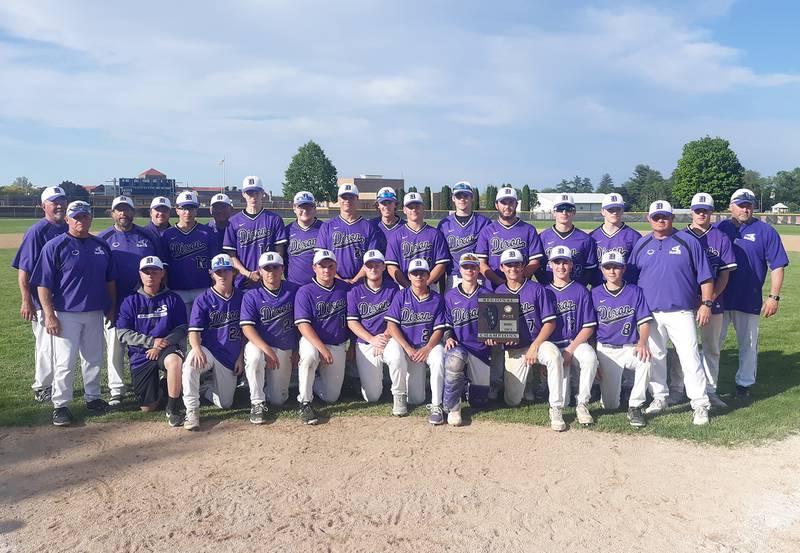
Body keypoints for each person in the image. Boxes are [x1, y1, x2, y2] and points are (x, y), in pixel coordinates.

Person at [31, 200, 116, 426]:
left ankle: (93, 397)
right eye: (76, 217)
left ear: (91, 218)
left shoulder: (101, 245)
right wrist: (49, 314)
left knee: (93, 358)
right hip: (65, 313)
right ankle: (61, 405)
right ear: (67, 219)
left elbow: (110, 280)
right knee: (65, 361)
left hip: (95, 311)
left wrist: (112, 306)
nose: (81, 220)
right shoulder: (55, 246)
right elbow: (43, 285)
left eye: (85, 216)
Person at [628, 200, 714, 426]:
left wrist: (706, 303)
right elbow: (630, 279)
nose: (660, 220)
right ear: (649, 219)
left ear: (672, 218)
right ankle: (659, 397)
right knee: (655, 357)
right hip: (650, 313)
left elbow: (705, 276)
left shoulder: (688, 242)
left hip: (681, 311)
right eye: (656, 216)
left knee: (690, 357)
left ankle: (700, 404)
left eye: (665, 216)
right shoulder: (641, 244)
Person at [717, 188, 789, 402]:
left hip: (749, 297)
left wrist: (774, 296)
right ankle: (707, 384)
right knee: (712, 343)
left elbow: (777, 265)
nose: (745, 208)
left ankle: (744, 385)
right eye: (740, 204)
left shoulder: (765, 231)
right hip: (720, 297)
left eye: (749, 204)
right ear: (731, 207)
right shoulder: (720, 228)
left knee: (748, 343)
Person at [668, 192, 737, 409]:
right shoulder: (679, 237)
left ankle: (710, 390)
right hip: (686, 301)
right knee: (683, 347)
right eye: (698, 210)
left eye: (705, 210)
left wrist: (709, 298)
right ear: (691, 211)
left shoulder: (720, 238)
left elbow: (725, 273)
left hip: (713, 301)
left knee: (711, 346)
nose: (701, 214)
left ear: (711, 212)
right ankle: (677, 389)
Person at [99, 195, 166, 405]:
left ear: (133, 212)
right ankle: (116, 389)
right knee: (115, 345)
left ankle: (154, 380)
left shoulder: (147, 236)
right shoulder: (104, 238)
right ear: (112, 213)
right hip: (115, 301)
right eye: (119, 209)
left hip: (145, 302)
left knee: (149, 341)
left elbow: (161, 268)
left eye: (127, 209)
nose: (123, 213)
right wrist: (107, 303)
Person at [493, 248, 566, 431]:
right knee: (512, 400)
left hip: (538, 344)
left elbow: (550, 324)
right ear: (502, 267)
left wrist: (535, 346)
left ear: (523, 266)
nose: (513, 268)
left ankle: (556, 407)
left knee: (554, 355)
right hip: (516, 349)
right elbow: (496, 326)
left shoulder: (536, 289)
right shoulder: (499, 291)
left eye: (517, 264)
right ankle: (527, 383)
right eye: (508, 265)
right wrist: (501, 339)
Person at [117, 256, 187, 426]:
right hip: (142, 353)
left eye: (155, 272)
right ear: (140, 274)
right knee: (148, 408)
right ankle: (166, 386)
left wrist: (162, 343)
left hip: (167, 348)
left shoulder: (173, 298)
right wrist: (150, 342)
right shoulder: (129, 300)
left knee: (174, 362)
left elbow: (182, 327)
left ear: (162, 273)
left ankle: (173, 408)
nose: (150, 276)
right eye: (146, 272)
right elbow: (123, 333)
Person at [12, 185, 67, 402]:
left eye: (62, 201)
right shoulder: (37, 231)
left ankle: (58, 385)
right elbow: (24, 270)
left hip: (66, 300)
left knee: (62, 345)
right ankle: (43, 386)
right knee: (46, 345)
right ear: (43, 206)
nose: (59, 205)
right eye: (54, 202)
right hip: (42, 300)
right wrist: (26, 300)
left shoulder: (69, 227)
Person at [182, 254, 245, 431]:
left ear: (234, 273)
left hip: (231, 355)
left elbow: (246, 333)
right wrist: (196, 349)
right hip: (208, 350)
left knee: (225, 403)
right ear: (212, 274)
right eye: (218, 272)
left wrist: (241, 357)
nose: (222, 275)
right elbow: (194, 331)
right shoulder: (204, 299)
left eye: (226, 271)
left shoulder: (242, 298)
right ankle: (192, 410)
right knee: (191, 364)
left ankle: (205, 388)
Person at [591, 251, 653, 428]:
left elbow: (644, 322)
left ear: (623, 269)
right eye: (608, 267)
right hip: (606, 350)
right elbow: (591, 329)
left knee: (646, 360)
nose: (612, 271)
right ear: (602, 270)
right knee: (611, 405)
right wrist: (595, 358)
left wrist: (642, 342)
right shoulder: (595, 293)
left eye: (616, 267)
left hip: (629, 347)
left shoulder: (634, 291)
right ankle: (606, 393)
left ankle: (635, 405)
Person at [384, 259, 448, 424]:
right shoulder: (401, 295)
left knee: (439, 357)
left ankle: (436, 405)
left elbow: (439, 329)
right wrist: (406, 347)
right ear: (409, 276)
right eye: (415, 273)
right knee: (394, 353)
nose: (418, 276)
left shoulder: (437, 298)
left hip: (425, 346)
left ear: (428, 276)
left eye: (422, 273)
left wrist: (427, 348)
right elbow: (391, 325)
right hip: (405, 346)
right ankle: (398, 395)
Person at [293, 249, 350, 425]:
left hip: (337, 343)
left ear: (336, 267)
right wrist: (322, 349)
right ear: (314, 268)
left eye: (330, 266)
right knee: (310, 356)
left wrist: (353, 345)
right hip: (313, 341)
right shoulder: (305, 291)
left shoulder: (345, 289)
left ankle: (312, 380)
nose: (326, 270)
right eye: (321, 266)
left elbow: (355, 321)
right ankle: (304, 402)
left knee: (331, 397)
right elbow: (303, 325)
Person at [241, 252, 299, 422]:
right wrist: (266, 350)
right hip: (260, 344)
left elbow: (301, 324)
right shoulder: (252, 294)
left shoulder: (294, 291)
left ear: (282, 269)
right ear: (260, 271)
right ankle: (257, 402)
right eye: (267, 268)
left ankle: (265, 385)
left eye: (275, 267)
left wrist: (297, 349)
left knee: (278, 400)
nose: (271, 271)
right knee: (254, 357)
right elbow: (247, 328)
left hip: (284, 345)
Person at [545, 246, 598, 425]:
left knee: (590, 357)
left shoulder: (580, 290)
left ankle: (582, 403)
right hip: (552, 346)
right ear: (550, 265)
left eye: (565, 262)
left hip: (574, 343)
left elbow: (588, 327)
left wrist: (570, 349)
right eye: (557, 262)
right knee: (563, 399)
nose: (561, 266)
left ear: (571, 265)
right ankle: (556, 408)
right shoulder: (544, 291)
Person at [441, 252, 492, 426]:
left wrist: (494, 338)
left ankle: (465, 387)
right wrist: (448, 337)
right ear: (459, 270)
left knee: (479, 403)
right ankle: (453, 408)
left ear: (478, 270)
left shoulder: (488, 294)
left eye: (473, 267)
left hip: (481, 350)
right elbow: (446, 323)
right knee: (455, 361)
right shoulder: (450, 296)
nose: (469, 270)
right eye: (465, 267)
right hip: (460, 347)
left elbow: (495, 326)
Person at [346, 250, 398, 403]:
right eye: (369, 266)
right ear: (364, 268)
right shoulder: (354, 291)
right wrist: (372, 339)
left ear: (383, 267)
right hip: (366, 342)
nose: (373, 269)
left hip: (389, 338)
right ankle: (357, 381)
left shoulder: (393, 288)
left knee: (396, 356)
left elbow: (396, 319)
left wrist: (384, 338)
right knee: (372, 397)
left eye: (377, 265)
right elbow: (352, 322)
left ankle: (399, 393)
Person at [223, 176, 288, 288]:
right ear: (243, 194)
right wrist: (248, 274)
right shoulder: (233, 222)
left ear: (262, 193)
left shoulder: (274, 219)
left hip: (269, 280)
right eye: (249, 193)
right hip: (243, 281)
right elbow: (231, 255)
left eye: (256, 193)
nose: (253, 197)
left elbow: (279, 252)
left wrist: (264, 274)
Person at [163, 190, 218, 317]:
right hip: (177, 289)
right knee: (181, 328)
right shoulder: (168, 234)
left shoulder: (207, 232)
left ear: (196, 210)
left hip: (203, 287)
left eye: (191, 208)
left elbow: (215, 264)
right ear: (177, 210)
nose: (187, 212)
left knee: (203, 326)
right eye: (183, 208)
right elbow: (164, 267)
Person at [476, 186, 543, 289]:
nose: (507, 206)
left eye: (511, 202)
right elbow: (481, 263)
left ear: (516, 204)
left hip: (523, 287)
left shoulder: (528, 229)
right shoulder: (487, 231)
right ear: (496, 205)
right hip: (495, 289)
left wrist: (517, 281)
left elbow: (535, 262)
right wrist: (500, 282)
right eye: (503, 202)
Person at [317, 183, 379, 284]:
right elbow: (320, 259)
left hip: (361, 283)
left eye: (351, 197)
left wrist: (355, 280)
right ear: (338, 199)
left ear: (357, 199)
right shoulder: (327, 226)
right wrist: (339, 279)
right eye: (344, 197)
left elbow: (371, 260)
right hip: (333, 282)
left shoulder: (368, 226)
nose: (347, 200)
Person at [385, 192, 449, 288]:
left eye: (417, 206)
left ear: (423, 208)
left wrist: (425, 285)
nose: (414, 209)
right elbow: (391, 266)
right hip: (405, 286)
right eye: (410, 207)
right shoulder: (396, 236)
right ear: (404, 210)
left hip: (429, 286)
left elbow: (441, 264)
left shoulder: (435, 234)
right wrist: (408, 287)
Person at [437, 181, 490, 289]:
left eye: (465, 195)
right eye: (458, 196)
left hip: (478, 276)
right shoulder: (444, 224)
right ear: (453, 198)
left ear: (472, 197)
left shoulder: (484, 222)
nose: (462, 199)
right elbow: (441, 258)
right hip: (454, 277)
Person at [536, 193, 597, 286]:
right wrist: (546, 284)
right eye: (560, 209)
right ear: (554, 212)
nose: (564, 212)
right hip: (549, 290)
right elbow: (537, 267)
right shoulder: (542, 237)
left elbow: (590, 269)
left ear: (574, 212)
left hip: (575, 291)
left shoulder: (585, 239)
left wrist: (578, 288)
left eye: (568, 209)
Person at [590, 192, 642, 284]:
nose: (614, 212)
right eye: (610, 209)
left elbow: (638, 268)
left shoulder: (634, 236)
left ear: (622, 210)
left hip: (626, 289)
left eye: (618, 209)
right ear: (603, 211)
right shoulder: (592, 237)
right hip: (600, 290)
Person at [285, 191, 322, 287]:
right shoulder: (287, 230)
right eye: (301, 207)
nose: (305, 210)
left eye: (308, 207)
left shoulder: (324, 228)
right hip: (293, 285)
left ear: (314, 208)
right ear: (294, 208)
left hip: (319, 285)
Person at [371, 187, 405, 252]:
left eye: (389, 203)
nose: (386, 206)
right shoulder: (371, 225)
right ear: (378, 205)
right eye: (383, 203)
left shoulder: (404, 226)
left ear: (395, 204)